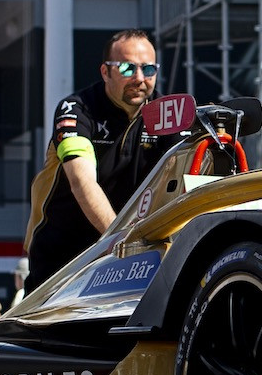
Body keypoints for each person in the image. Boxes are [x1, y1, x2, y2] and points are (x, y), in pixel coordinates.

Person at [21, 29, 169, 292]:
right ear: (105, 72)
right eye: (127, 68)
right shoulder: (75, 110)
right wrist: (122, 241)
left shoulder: (165, 112)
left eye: (148, 69)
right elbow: (82, 182)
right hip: (62, 254)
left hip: (128, 254)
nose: (139, 78)